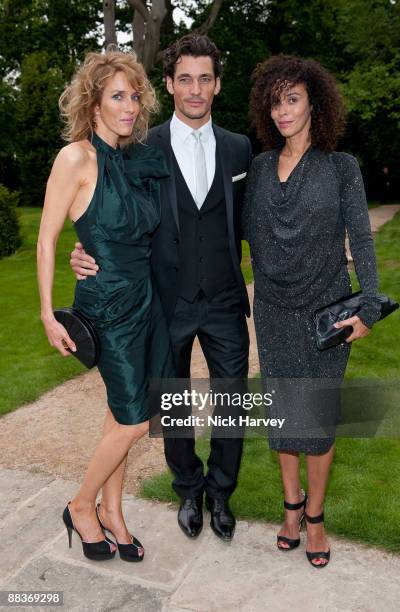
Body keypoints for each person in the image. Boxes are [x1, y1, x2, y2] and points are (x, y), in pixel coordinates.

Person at [70, 34, 252, 541]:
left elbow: (251, 222)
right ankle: (188, 489)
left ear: (217, 85)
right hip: (163, 301)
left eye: (206, 79)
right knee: (170, 403)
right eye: (185, 79)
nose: (196, 89)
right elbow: (111, 216)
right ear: (170, 84)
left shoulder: (240, 147)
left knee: (232, 403)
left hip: (222, 300)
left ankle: (220, 493)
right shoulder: (140, 147)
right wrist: (85, 251)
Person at [243, 55, 381, 568]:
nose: (283, 111)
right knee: (284, 419)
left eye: (293, 99)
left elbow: (362, 239)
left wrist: (368, 305)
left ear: (314, 104)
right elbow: (223, 231)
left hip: (327, 313)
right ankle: (291, 509)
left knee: (318, 422)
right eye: (275, 101)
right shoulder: (258, 168)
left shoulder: (341, 167)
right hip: (274, 312)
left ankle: (316, 519)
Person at [37, 50, 174, 562]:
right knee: (135, 420)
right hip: (107, 306)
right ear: (93, 103)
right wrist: (48, 313)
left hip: (146, 301)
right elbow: (48, 239)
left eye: (135, 96)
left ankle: (114, 512)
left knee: (126, 412)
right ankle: (80, 504)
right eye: (118, 96)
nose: (130, 106)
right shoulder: (75, 158)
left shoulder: (134, 161)